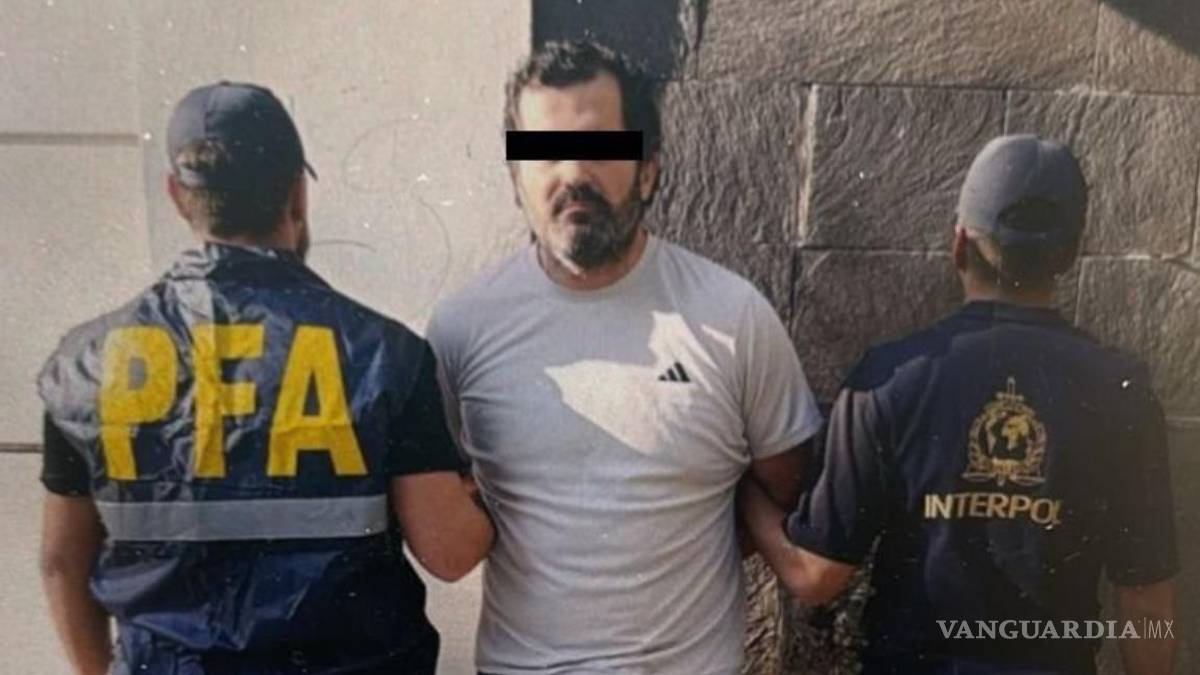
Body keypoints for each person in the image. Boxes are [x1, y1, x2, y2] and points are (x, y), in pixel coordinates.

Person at [36, 81, 494, 675]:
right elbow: (450, 552)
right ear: (297, 193)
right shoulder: (384, 354)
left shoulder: (86, 364)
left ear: (177, 196)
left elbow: (61, 563)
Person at [425, 40, 823, 675]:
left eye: (600, 146)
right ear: (516, 177)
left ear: (648, 168)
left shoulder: (733, 317)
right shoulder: (462, 330)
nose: (572, 173)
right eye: (543, 152)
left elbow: (788, 486)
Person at [740, 135, 1178, 675]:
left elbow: (814, 576)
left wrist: (745, 494)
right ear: (1068, 256)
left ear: (959, 246)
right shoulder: (1121, 392)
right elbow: (1147, 606)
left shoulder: (889, 380)